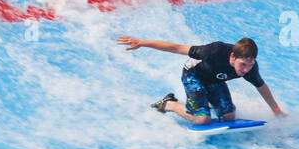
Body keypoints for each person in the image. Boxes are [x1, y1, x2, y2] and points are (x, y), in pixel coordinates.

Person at [118, 35, 284, 124]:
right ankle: (168, 104)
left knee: (229, 117)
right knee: (202, 119)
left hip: (214, 81)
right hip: (193, 75)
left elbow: (261, 86)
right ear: (233, 57)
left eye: (250, 65)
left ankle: (206, 102)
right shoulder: (214, 51)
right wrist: (142, 42)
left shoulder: (250, 67)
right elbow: (176, 48)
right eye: (243, 65)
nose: (246, 70)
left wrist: (276, 111)